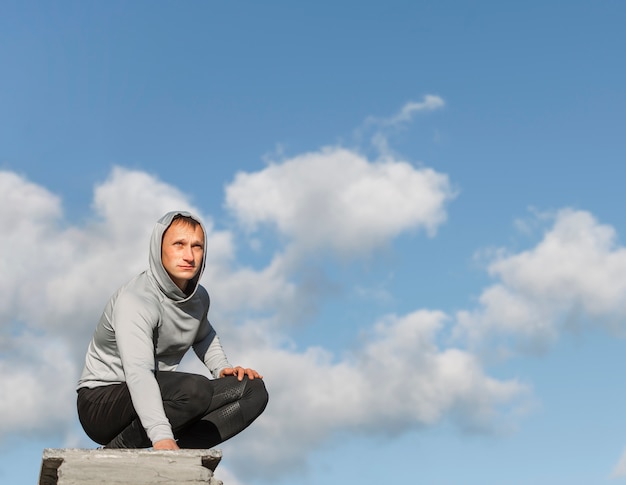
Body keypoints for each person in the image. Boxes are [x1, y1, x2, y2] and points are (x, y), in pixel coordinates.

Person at [77, 211, 268, 450]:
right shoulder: (136, 301)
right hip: (101, 404)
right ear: (159, 248)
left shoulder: (198, 297)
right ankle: (118, 450)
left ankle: (184, 456)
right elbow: (138, 373)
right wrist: (160, 436)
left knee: (252, 389)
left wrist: (222, 369)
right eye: (179, 244)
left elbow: (204, 334)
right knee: (193, 391)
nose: (189, 256)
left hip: (163, 395)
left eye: (197, 246)